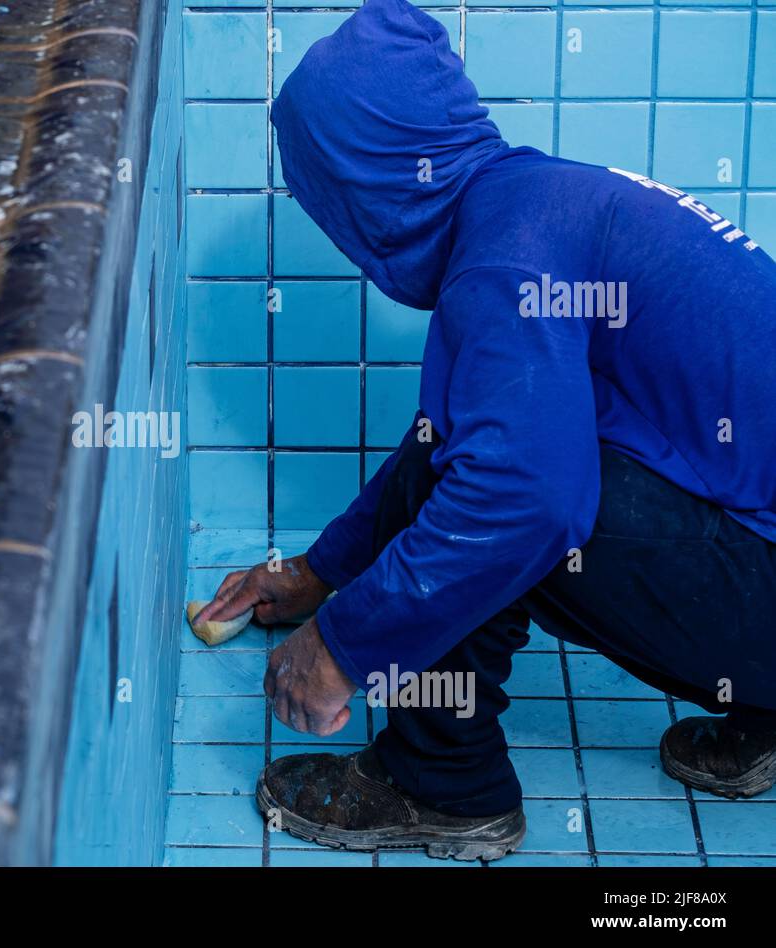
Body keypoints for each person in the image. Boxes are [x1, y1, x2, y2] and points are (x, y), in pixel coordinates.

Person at [195, 0, 776, 861]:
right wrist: (322, 573)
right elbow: (456, 431)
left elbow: (517, 494)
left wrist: (343, 645)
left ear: (367, 188)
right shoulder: (542, 203)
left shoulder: (508, 257)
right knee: (487, 454)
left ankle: (439, 784)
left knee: (486, 493)